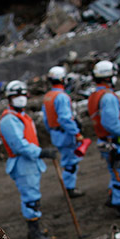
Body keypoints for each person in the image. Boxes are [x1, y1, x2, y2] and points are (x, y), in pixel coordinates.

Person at [0, 80, 58, 239]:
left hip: (30, 162)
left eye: (23, 94)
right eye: (16, 95)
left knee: (34, 195)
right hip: (23, 163)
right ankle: (34, 232)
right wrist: (41, 152)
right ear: (9, 98)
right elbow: (19, 145)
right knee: (31, 198)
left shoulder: (22, 116)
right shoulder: (9, 120)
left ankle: (36, 228)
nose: (21, 98)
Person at [87, 61, 120, 217]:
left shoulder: (95, 96)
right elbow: (109, 122)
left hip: (106, 141)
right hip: (113, 142)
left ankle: (113, 197)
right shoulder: (108, 97)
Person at [42, 66, 85, 198]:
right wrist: (76, 133)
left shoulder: (48, 97)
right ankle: (69, 188)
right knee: (70, 162)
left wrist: (51, 131)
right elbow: (65, 118)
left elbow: (46, 119)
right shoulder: (61, 97)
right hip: (65, 134)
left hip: (56, 133)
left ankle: (69, 187)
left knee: (67, 160)